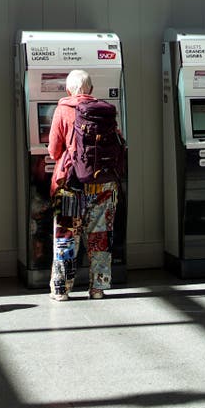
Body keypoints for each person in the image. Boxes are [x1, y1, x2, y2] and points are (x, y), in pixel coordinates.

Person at [47, 70, 121, 301]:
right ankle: (98, 288)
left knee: (67, 234)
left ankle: (61, 290)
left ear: (69, 90)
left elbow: (54, 150)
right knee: (100, 236)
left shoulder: (63, 109)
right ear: (90, 89)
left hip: (71, 183)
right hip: (103, 183)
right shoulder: (104, 111)